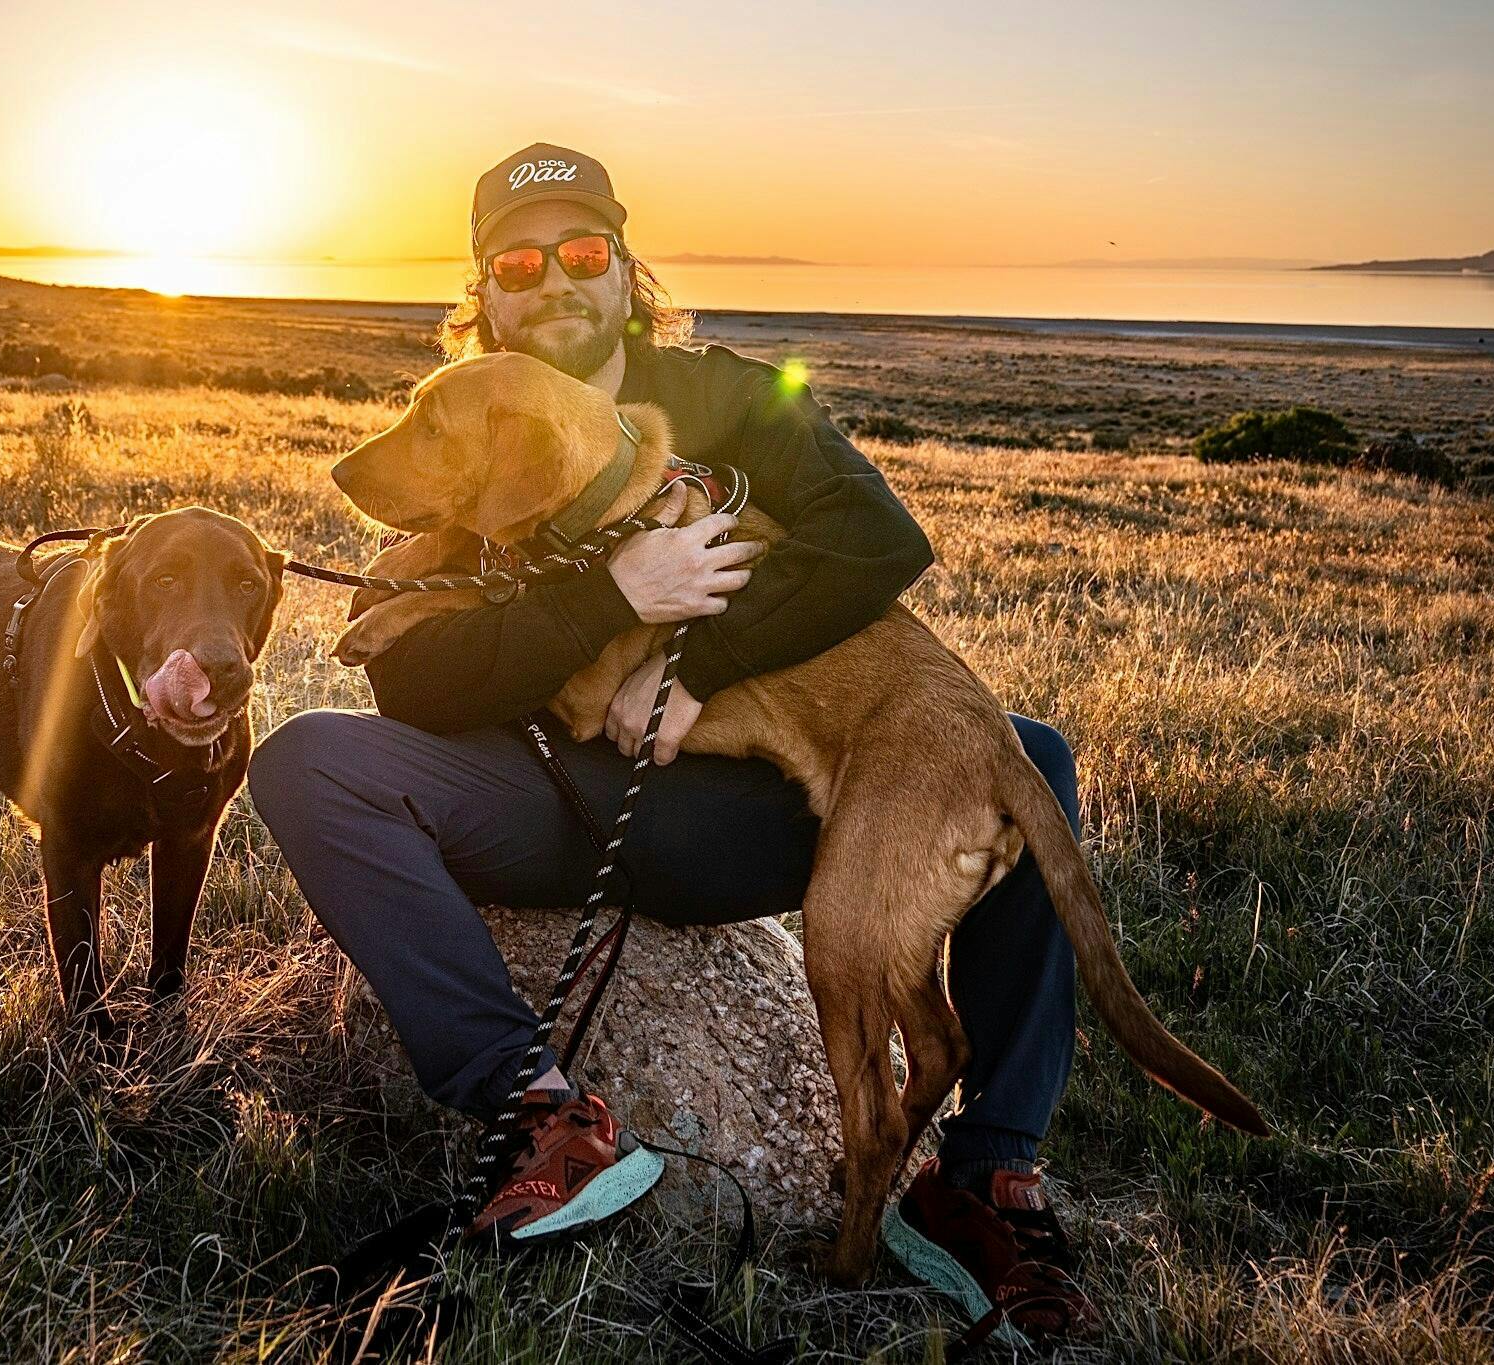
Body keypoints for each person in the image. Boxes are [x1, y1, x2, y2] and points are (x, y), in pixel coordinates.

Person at [249, 143, 1095, 1339]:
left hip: (751, 817)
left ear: (623, 268)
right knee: (306, 759)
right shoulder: (461, 419)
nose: (554, 279)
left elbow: (879, 541)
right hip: (549, 801)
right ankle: (538, 1116)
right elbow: (412, 683)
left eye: (581, 251)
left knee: (1028, 757)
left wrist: (699, 667)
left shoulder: (731, 399)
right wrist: (610, 597)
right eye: (518, 263)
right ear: (483, 292)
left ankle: (985, 1177)